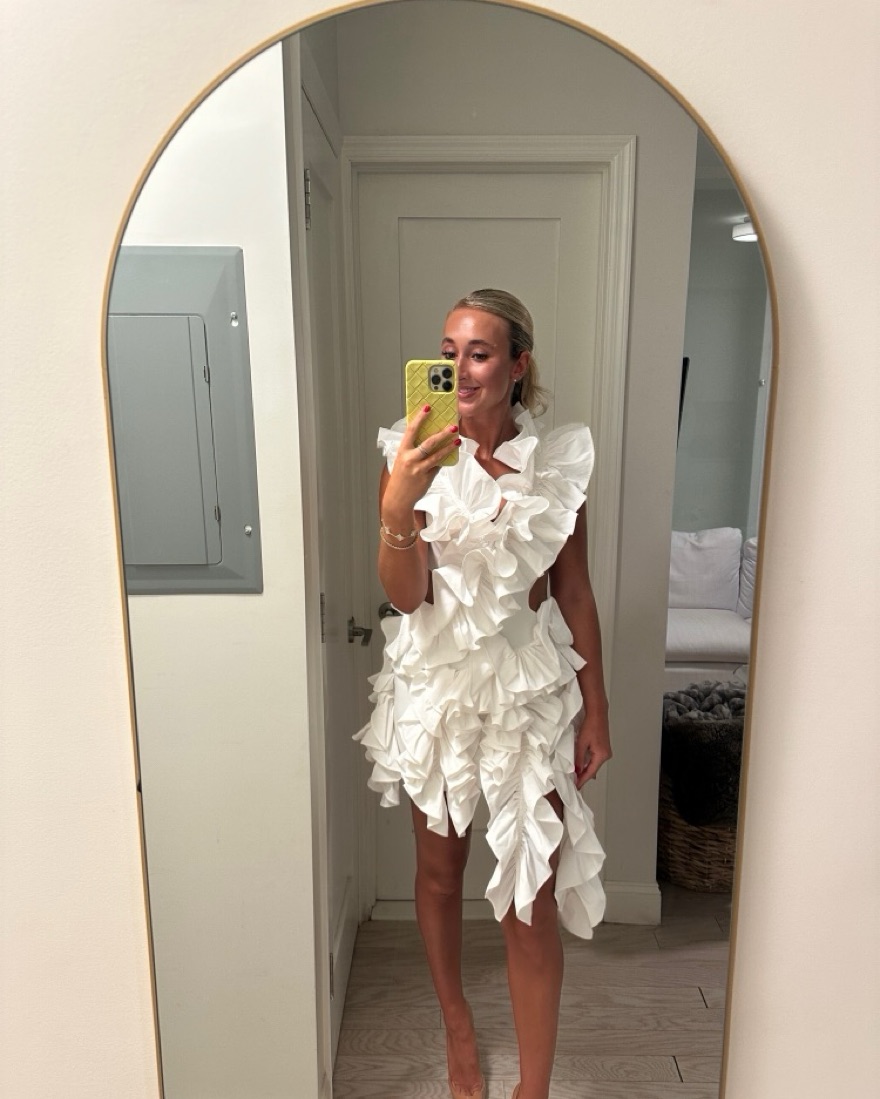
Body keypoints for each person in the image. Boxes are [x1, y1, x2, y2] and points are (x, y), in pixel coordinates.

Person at [355, 289, 612, 1099]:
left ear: (517, 364)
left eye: (479, 351)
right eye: (448, 351)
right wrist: (398, 504)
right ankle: (456, 1026)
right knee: (440, 873)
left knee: (530, 895)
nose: (459, 369)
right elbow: (405, 596)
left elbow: (574, 590)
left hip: (528, 692)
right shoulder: (410, 453)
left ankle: (533, 1089)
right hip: (437, 690)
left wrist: (598, 705)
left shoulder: (556, 466)